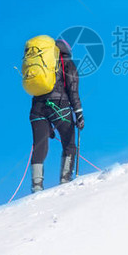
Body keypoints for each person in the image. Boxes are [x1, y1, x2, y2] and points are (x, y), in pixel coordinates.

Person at [25, 37, 84, 192]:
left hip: (37, 109)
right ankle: (65, 180)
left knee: (39, 146)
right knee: (69, 144)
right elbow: (73, 91)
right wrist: (79, 114)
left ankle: (36, 187)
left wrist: (49, 127)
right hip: (60, 106)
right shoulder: (68, 65)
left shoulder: (46, 65)